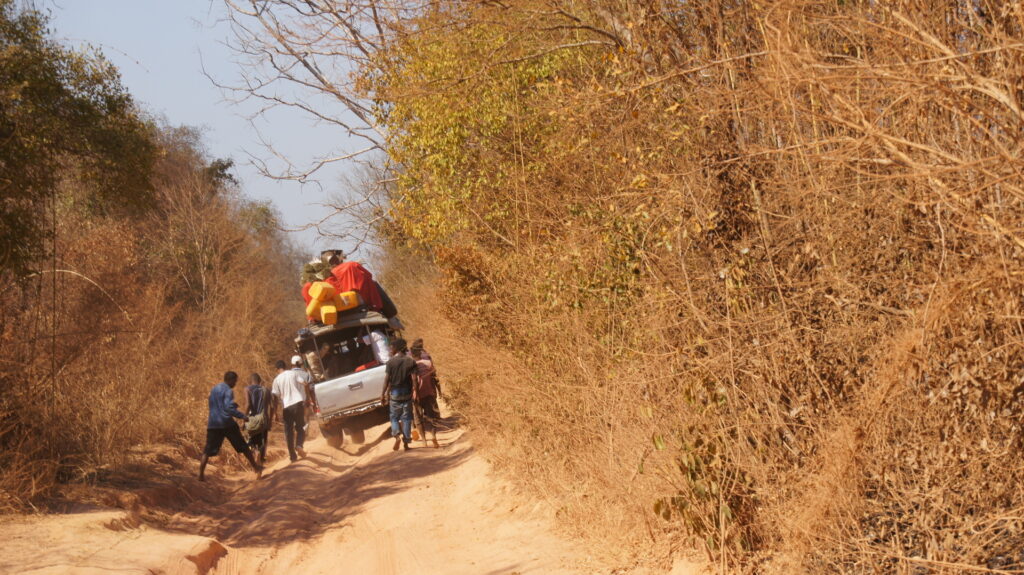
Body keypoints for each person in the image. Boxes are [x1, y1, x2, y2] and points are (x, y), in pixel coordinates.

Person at [198, 371, 262, 481]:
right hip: (227, 423)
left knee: (207, 450)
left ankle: (201, 475)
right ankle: (256, 468)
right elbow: (228, 408)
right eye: (235, 381)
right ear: (231, 380)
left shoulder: (214, 389)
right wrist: (243, 416)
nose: (235, 383)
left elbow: (214, 404)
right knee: (243, 446)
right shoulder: (228, 390)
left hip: (213, 423)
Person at [272, 356, 310, 461]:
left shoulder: (276, 380)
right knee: (300, 427)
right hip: (298, 402)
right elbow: (305, 383)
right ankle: (299, 445)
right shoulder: (293, 373)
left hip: (287, 407)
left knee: (288, 432)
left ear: (277, 369)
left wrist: (275, 413)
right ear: (285, 367)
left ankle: (293, 456)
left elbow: (275, 397)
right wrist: (306, 397)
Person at [381, 338, 416, 451]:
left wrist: (383, 394)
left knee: (394, 417)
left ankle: (396, 436)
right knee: (406, 418)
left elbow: (387, 380)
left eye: (391, 347)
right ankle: (406, 444)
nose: (390, 350)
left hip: (395, 393)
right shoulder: (410, 361)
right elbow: (414, 378)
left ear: (397, 348)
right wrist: (415, 391)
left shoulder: (390, 362)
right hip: (407, 392)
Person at [411, 346, 441, 448]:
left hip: (417, 396)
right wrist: (438, 391)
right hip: (429, 393)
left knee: (418, 419)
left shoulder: (410, 366)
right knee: (432, 417)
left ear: (411, 355)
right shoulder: (428, 363)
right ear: (420, 354)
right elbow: (435, 378)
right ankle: (433, 436)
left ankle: (424, 440)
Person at [243, 373, 273, 466]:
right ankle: (261, 462)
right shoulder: (266, 390)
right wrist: (270, 420)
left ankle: (255, 452)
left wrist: (243, 420)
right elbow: (272, 407)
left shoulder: (247, 389)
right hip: (264, 419)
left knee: (250, 440)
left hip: (252, 420)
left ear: (250, 381)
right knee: (263, 441)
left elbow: (247, 405)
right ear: (260, 381)